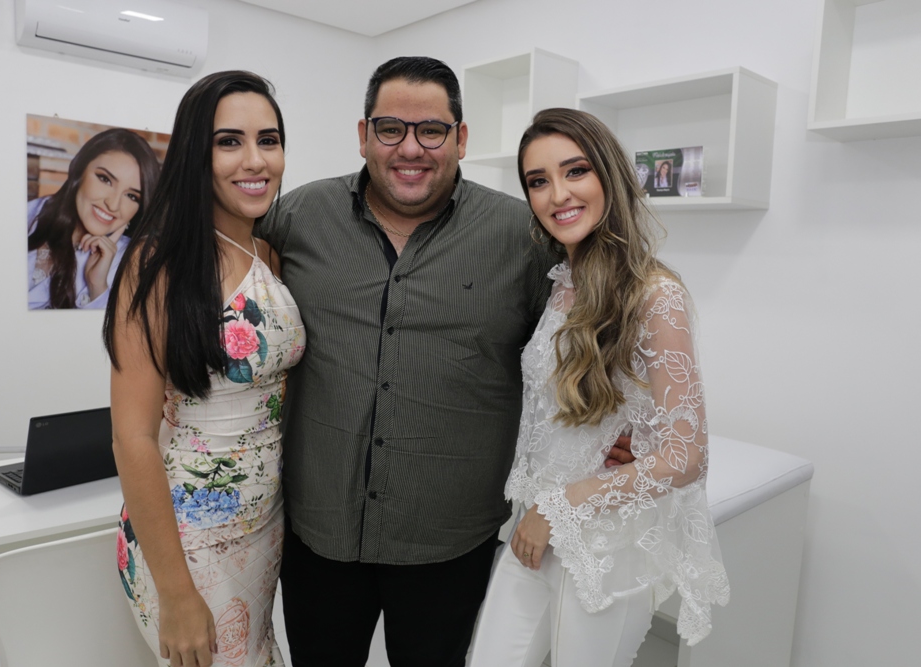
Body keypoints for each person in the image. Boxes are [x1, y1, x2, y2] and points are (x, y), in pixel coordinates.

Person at [255, 57, 633, 667]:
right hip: (319, 531)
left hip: (450, 540)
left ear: (461, 138)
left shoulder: (524, 236)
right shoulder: (299, 216)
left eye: (431, 130)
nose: (411, 149)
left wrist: (620, 427)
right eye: (390, 129)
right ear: (363, 135)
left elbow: (585, 336)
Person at [468, 108, 730, 667]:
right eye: (538, 181)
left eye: (575, 171)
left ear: (608, 175)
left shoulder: (655, 295)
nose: (558, 194)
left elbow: (686, 455)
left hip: (605, 547)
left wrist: (557, 508)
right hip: (535, 529)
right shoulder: (561, 282)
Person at [103, 70, 304, 667]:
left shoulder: (267, 252)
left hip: (264, 522)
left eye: (269, 140)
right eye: (229, 142)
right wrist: (176, 594)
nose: (255, 160)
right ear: (196, 153)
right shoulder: (157, 263)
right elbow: (132, 437)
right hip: (188, 538)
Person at [27, 127, 160, 309]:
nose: (113, 205)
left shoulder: (134, 264)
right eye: (105, 179)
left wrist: (97, 287)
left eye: (131, 196)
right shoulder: (30, 213)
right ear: (79, 171)